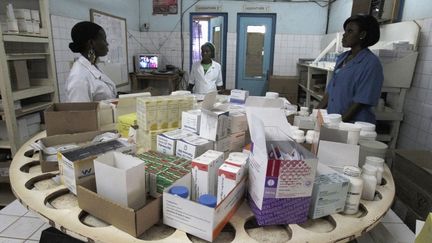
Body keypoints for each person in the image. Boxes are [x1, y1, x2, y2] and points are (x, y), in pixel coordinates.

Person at [318, 14, 383, 124]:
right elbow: (330, 92)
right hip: (334, 120)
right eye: (345, 31)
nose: (344, 35)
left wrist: (338, 124)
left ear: (362, 34)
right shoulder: (342, 58)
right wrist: (315, 115)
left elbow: (360, 102)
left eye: (350, 31)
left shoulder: (371, 63)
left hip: (354, 125)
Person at [65, 21, 117, 102]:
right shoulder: (79, 78)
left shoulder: (92, 66)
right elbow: (81, 113)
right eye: (104, 39)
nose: (107, 44)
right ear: (91, 43)